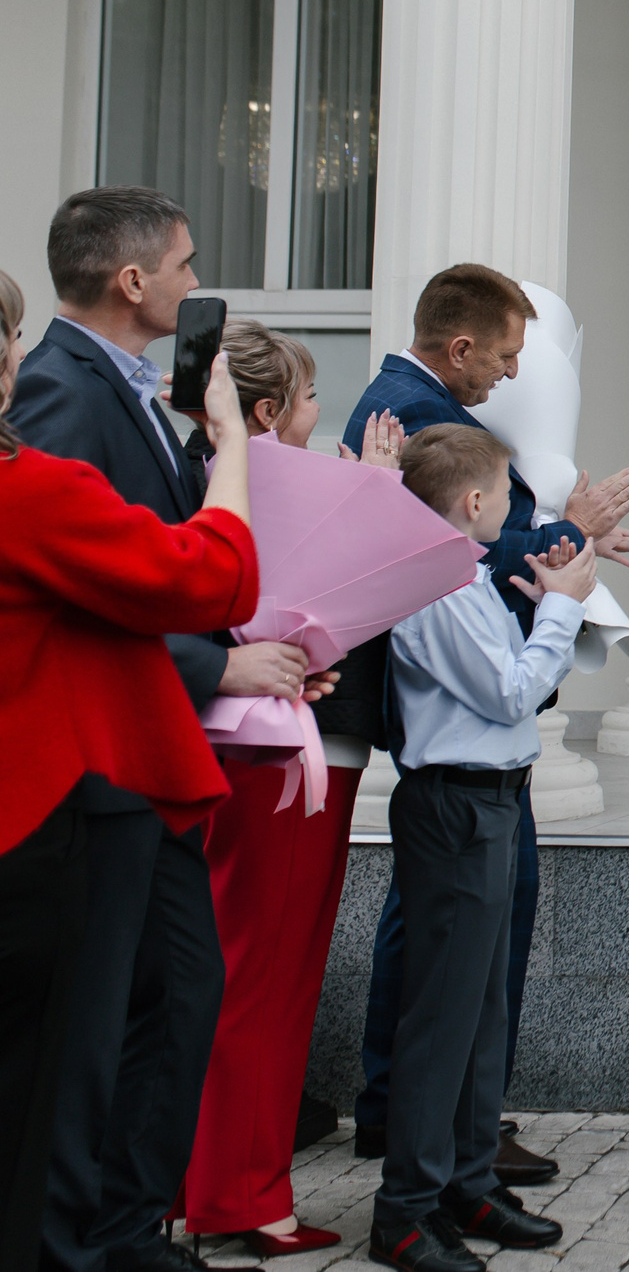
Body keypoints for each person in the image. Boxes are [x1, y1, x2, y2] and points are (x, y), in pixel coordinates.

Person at [9, 188, 312, 1272]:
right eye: (184, 265)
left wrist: (252, 659)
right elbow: (70, 587)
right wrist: (218, 664)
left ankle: (127, 1229)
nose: (195, 283)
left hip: (145, 762)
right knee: (93, 1028)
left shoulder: (131, 389)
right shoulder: (58, 391)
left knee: (173, 997)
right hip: (91, 774)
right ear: (133, 281)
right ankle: (86, 1236)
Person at [345, 265, 629, 1183]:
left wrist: (574, 534)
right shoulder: (410, 411)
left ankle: (435, 1123)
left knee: (450, 940)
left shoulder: (422, 400)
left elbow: (469, 535)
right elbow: (443, 544)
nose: (513, 374)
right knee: (466, 955)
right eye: (507, 356)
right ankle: (439, 1131)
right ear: (461, 346)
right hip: (463, 744)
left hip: (473, 745)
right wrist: (569, 534)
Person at [180, 324, 403, 1257]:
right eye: (310, 397)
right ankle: (247, 1195)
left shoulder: (218, 479)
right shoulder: (261, 491)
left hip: (251, 752)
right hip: (274, 761)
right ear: (267, 412)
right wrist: (377, 503)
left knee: (244, 969)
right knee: (269, 971)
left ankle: (214, 1181)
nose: (322, 411)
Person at [368, 425, 590, 1272]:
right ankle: (406, 1208)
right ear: (471, 502)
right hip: (455, 804)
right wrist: (562, 608)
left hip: (489, 801)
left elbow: (506, 673)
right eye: (504, 494)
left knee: (482, 1005)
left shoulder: (465, 575)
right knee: (443, 1012)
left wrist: (542, 600)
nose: (511, 507)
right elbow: (509, 692)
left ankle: (465, 1178)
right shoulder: (436, 585)